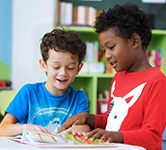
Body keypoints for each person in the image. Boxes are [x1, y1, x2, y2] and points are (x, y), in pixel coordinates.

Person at [59, 3, 166, 150]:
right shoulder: (118, 78)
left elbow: (153, 136)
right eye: (104, 50)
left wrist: (117, 136)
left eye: (111, 47)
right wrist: (89, 118)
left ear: (134, 41)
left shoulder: (157, 81)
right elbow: (112, 121)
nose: (107, 56)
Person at [0, 28, 89, 136]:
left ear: (78, 69)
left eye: (70, 68)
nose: (63, 73)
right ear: (44, 65)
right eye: (56, 67)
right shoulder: (29, 92)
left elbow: (84, 127)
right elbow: (3, 129)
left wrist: (84, 128)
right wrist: (25, 128)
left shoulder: (79, 97)